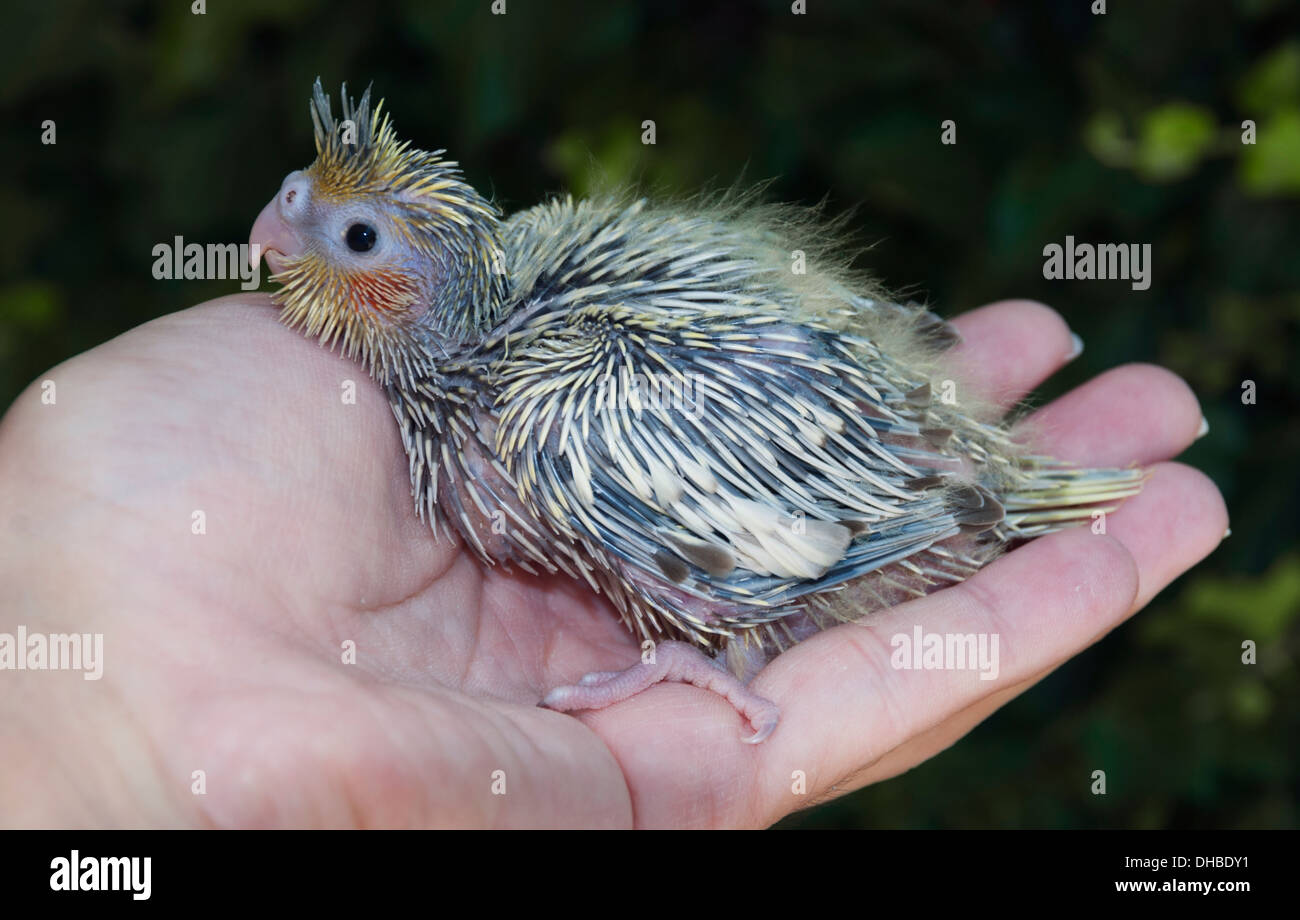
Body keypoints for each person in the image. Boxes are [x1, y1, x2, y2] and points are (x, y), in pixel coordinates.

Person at [0, 294, 1226, 827]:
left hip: (858, 506)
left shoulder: (551, 415)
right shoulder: (464, 406)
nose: (280, 243)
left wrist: (704, 652)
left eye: (354, 236)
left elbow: (780, 541)